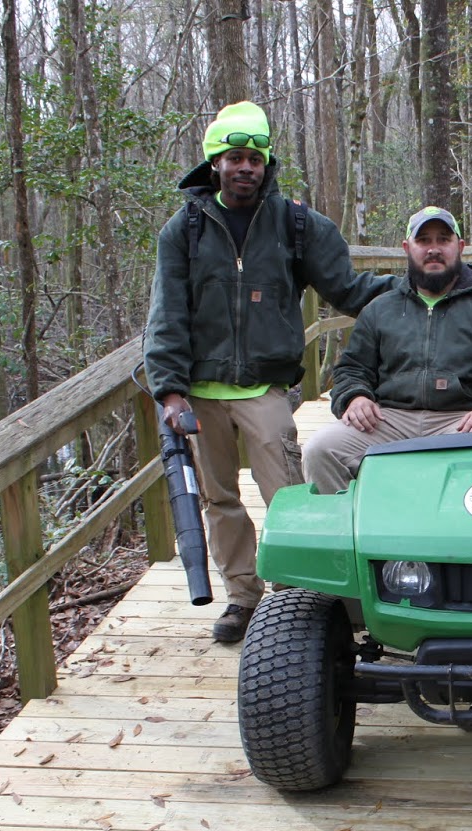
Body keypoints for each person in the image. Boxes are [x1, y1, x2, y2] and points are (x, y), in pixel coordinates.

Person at [144, 101, 394, 643]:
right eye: (234, 157)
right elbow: (165, 315)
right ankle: (241, 596)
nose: (245, 168)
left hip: (266, 387)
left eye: (255, 158)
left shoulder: (296, 224)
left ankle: (296, 597)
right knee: (220, 500)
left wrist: (418, 283)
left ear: (266, 163)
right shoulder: (183, 231)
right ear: (215, 162)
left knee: (288, 495)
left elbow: (348, 290)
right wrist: (169, 390)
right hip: (199, 393)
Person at [303, 206, 472, 494]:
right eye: (423, 240)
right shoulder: (380, 308)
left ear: (460, 247)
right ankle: (347, 533)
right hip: (388, 419)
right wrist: (355, 397)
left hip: (462, 420)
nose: (433, 249)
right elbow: (352, 368)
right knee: (321, 449)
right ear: (407, 248)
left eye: (443, 240)